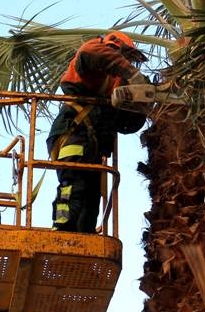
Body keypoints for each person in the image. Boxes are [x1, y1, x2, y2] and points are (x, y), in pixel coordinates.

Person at [47, 31, 148, 232]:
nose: (126, 62)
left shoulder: (115, 86)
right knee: (73, 184)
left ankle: (84, 235)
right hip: (73, 133)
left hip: (93, 144)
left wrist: (144, 103)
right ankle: (61, 228)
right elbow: (91, 52)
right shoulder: (93, 57)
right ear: (114, 47)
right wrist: (134, 75)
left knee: (92, 195)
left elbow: (126, 123)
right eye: (125, 56)